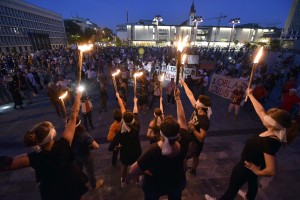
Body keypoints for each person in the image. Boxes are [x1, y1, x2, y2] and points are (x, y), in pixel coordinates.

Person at [205, 88, 298, 200]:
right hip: (254, 164)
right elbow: (261, 111)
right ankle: (248, 197)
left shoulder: (268, 141)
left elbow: (271, 170)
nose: (265, 117)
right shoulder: (277, 131)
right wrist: (250, 95)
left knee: (231, 190)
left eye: (268, 118)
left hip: (245, 167)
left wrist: (257, 170)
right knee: (252, 184)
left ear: (273, 123)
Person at [0, 90, 89, 200]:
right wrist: (77, 98)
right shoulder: (64, 144)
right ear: (52, 136)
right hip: (72, 186)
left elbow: (8, 164)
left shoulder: (33, 158)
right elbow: (74, 116)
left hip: (52, 193)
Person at [129, 88, 189, 200]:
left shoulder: (153, 150)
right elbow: (182, 118)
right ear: (177, 132)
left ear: (161, 133)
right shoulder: (184, 140)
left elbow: (132, 170)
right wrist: (177, 98)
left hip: (155, 185)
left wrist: (143, 171)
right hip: (176, 182)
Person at [180, 78, 212, 175]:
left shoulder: (204, 120)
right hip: (191, 138)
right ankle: (193, 170)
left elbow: (201, 138)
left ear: (200, 106)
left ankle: (183, 173)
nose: (195, 102)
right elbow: (190, 95)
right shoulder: (198, 109)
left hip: (195, 143)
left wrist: (193, 128)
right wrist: (184, 84)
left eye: (197, 102)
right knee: (195, 156)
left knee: (184, 158)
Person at [111, 92, 142, 187]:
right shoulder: (137, 125)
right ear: (132, 119)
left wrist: (117, 146)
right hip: (136, 150)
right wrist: (135, 102)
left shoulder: (121, 131)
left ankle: (123, 181)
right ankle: (137, 181)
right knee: (137, 166)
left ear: (123, 119)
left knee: (124, 166)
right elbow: (136, 112)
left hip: (125, 152)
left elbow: (111, 146)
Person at [71, 117, 103, 189]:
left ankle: (81, 184)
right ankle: (94, 185)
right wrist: (89, 147)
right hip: (86, 156)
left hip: (75, 156)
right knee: (90, 172)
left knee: (79, 171)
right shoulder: (84, 135)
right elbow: (96, 146)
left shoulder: (68, 135)